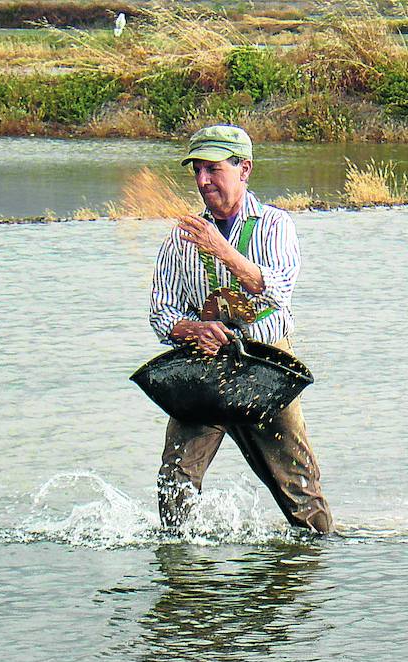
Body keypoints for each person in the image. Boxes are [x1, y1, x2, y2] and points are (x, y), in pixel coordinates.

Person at [149, 125, 333, 534]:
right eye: (197, 170)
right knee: (174, 481)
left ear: (244, 169)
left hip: (265, 366)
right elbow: (160, 314)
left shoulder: (275, 225)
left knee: (298, 484)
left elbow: (277, 291)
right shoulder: (180, 239)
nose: (202, 181)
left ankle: (318, 559)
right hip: (203, 367)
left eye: (213, 169)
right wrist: (193, 330)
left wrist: (221, 250)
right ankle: (182, 573)